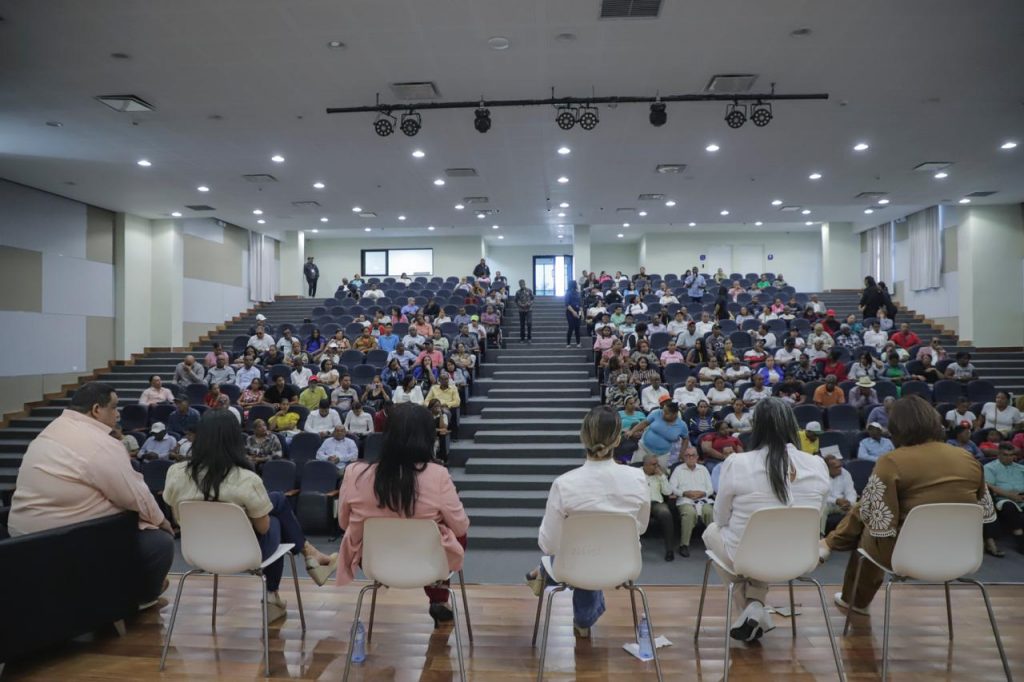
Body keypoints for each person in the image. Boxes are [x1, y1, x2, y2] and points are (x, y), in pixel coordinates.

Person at [822, 395, 996, 615]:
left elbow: (879, 523)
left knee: (867, 527)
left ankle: (853, 596)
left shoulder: (891, 461)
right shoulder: (969, 458)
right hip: (963, 555)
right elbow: (985, 513)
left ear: (896, 428)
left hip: (907, 556)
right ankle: (831, 545)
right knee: (869, 509)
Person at [8, 382, 175, 609]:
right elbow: (135, 496)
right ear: (97, 409)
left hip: (22, 539)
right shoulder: (99, 443)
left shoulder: (49, 432)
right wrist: (162, 522)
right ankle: (140, 597)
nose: (118, 414)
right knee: (159, 542)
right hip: (66, 540)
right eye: (114, 408)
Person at [163, 410, 338, 622]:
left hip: (197, 553)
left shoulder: (175, 473)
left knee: (276, 503)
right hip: (245, 554)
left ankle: (308, 559)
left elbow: (177, 517)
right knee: (276, 514)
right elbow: (263, 528)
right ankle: (282, 585)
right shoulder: (247, 479)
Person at [704, 398, 829, 641]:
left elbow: (720, 518)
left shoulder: (736, 463)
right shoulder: (817, 464)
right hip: (802, 557)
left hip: (749, 557)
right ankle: (755, 606)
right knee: (758, 547)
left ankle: (754, 608)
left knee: (711, 531)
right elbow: (819, 515)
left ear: (757, 427)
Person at [337, 403, 469, 625]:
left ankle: (428, 592)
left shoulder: (354, 473)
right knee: (452, 534)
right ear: (427, 437)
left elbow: (343, 523)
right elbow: (461, 528)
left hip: (374, 563)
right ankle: (439, 596)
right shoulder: (438, 475)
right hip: (428, 564)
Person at [525, 405, 648, 637]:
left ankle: (543, 574)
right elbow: (640, 528)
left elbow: (548, 545)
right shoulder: (637, 478)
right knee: (586, 550)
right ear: (618, 439)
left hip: (575, 565)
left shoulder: (564, 484)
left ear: (583, 438)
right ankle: (583, 617)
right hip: (624, 565)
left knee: (574, 552)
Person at [984, 445, 1024, 554]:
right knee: (1008, 506)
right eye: (1005, 455)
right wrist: (1010, 495)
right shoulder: (990, 467)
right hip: (1003, 498)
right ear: (999, 455)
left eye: (1011, 455)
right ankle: (1020, 540)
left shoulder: (1020, 468)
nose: (1009, 458)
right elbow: (989, 486)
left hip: (1022, 496)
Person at [626, 397, 687, 467]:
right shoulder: (657, 413)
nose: (663, 413)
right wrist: (632, 431)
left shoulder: (682, 425)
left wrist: (682, 453)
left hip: (662, 454)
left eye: (666, 413)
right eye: (663, 411)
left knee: (660, 476)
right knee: (634, 469)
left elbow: (686, 438)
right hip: (644, 447)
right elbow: (644, 423)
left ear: (674, 414)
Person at [642, 455, 680, 561]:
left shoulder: (660, 475)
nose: (657, 467)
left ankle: (669, 550)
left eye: (657, 464)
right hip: (640, 502)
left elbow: (668, 492)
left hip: (656, 503)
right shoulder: (636, 473)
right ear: (645, 465)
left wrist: (662, 477)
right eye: (654, 464)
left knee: (665, 513)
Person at [822, 454, 857, 536]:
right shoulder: (821, 475)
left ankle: (854, 536)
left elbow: (851, 491)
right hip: (827, 504)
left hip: (843, 504)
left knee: (860, 508)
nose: (840, 469)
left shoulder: (845, 473)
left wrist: (849, 502)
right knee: (821, 510)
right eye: (836, 467)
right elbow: (822, 495)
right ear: (827, 468)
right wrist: (836, 501)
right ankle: (820, 535)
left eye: (840, 466)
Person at [565, 280, 582, 347]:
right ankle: (568, 343)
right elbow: (567, 304)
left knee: (577, 327)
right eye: (576, 284)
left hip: (578, 311)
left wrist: (581, 314)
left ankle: (578, 343)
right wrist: (573, 312)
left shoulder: (578, 293)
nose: (577, 285)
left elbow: (580, 305)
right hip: (570, 312)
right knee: (571, 327)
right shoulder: (568, 293)